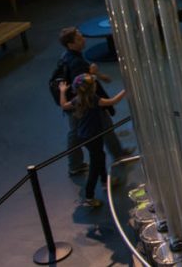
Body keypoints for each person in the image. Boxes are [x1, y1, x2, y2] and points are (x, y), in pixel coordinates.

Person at [55, 27, 131, 173]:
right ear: (70, 44)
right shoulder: (76, 63)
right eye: (78, 39)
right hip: (84, 106)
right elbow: (84, 84)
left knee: (80, 132)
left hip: (78, 105)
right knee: (86, 132)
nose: (83, 40)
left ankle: (116, 154)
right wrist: (96, 76)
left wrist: (98, 75)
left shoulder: (68, 56)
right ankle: (116, 156)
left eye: (81, 36)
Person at [60, 74, 126, 207]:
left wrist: (62, 91)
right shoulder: (94, 99)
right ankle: (89, 197)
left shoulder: (77, 100)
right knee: (95, 166)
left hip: (85, 137)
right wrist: (126, 90)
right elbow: (112, 101)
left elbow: (63, 105)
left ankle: (105, 181)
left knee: (99, 157)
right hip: (94, 136)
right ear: (92, 88)